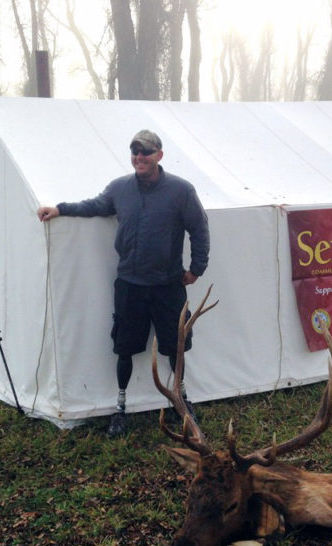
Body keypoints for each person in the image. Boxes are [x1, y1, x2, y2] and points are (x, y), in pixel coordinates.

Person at [37, 129, 210, 437]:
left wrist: (197, 268)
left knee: (176, 345)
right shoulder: (120, 189)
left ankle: (181, 402)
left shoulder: (181, 191)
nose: (139, 157)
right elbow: (94, 205)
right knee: (124, 348)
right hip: (130, 285)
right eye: (134, 151)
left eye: (145, 152)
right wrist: (60, 209)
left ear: (159, 155)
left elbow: (199, 228)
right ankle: (120, 408)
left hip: (169, 285)